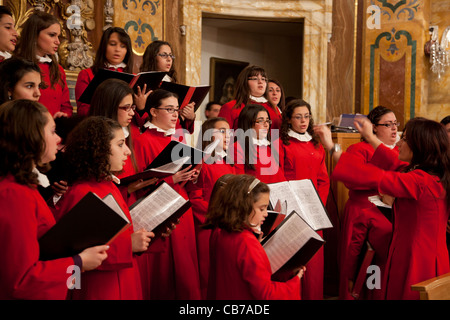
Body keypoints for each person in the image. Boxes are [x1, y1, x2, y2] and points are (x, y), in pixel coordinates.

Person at [315, 116, 450, 300]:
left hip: (418, 262)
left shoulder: (421, 181)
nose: (399, 142)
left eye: (405, 139)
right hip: (418, 253)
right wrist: (370, 137)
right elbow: (394, 161)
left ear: (419, 147)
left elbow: (371, 176)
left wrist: (331, 147)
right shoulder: (431, 174)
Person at [0, 99, 108, 299]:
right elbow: (20, 283)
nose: (59, 139)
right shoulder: (15, 194)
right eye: (52, 131)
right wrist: (79, 263)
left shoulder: (23, 187)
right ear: (30, 136)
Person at [54, 116, 153, 299]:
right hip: (100, 287)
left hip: (122, 278)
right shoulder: (81, 192)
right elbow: (74, 255)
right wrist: (128, 245)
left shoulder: (107, 185)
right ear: (99, 149)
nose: (128, 152)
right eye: (120, 144)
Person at [133, 89, 201, 300]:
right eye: (169, 109)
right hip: (160, 209)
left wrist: (192, 174)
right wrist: (173, 179)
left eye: (176, 110)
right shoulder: (142, 140)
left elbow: (187, 176)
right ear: (153, 111)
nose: (174, 115)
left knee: (185, 271)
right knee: (164, 277)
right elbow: (139, 185)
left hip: (182, 205)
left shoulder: (177, 138)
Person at [329, 105, 400, 300]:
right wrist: (382, 182)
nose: (394, 128)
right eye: (388, 124)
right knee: (360, 265)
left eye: (395, 124)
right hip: (363, 212)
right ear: (374, 128)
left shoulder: (400, 151)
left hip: (389, 215)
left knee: (380, 268)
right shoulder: (359, 149)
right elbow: (350, 179)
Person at [205, 174, 304, 300]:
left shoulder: (221, 232)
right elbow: (267, 294)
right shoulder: (247, 242)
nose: (266, 214)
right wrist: (295, 281)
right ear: (244, 206)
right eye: (261, 209)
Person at [279, 99, 330, 300]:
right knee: (293, 263)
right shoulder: (283, 143)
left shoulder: (317, 145)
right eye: (298, 117)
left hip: (314, 212)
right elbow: (280, 177)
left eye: (307, 116)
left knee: (315, 265)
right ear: (289, 120)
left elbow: (323, 180)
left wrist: (318, 206)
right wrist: (293, 207)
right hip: (292, 212)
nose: (303, 121)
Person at [88, 78, 157, 205]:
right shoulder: (93, 140)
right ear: (109, 107)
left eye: (133, 107)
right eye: (126, 107)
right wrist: (128, 189)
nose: (132, 112)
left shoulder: (131, 130)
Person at [188, 117, 236, 298]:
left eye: (229, 132)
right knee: (207, 276)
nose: (228, 136)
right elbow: (194, 198)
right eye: (222, 131)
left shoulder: (227, 163)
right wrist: (218, 215)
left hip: (226, 227)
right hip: (208, 228)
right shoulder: (201, 162)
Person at [75, 27, 145, 117]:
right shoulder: (87, 74)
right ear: (104, 46)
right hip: (100, 125)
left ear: (127, 51)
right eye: (112, 44)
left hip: (129, 127)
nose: (117, 49)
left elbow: (141, 119)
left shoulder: (134, 78)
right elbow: (82, 110)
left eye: (123, 46)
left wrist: (140, 107)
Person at [14, 11, 72, 117]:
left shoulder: (58, 70)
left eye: (58, 36)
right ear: (34, 35)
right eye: (52, 35)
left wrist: (63, 115)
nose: (58, 42)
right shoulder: (17, 66)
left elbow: (66, 106)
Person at [140, 40, 196, 133]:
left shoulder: (172, 82)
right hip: (151, 133)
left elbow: (180, 123)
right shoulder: (143, 82)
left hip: (174, 134)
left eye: (171, 55)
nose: (169, 59)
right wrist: (140, 108)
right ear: (152, 58)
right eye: (164, 55)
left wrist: (190, 116)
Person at [218, 65, 282, 130]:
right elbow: (222, 136)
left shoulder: (274, 108)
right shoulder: (230, 107)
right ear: (244, 82)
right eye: (255, 79)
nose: (260, 82)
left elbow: (276, 136)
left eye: (263, 79)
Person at [234, 104, 285, 184]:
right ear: (248, 122)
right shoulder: (238, 147)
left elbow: (280, 177)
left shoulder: (269, 146)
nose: (266, 125)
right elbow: (240, 182)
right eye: (261, 121)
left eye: (267, 121)